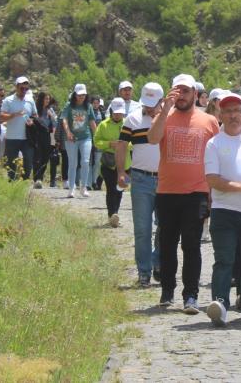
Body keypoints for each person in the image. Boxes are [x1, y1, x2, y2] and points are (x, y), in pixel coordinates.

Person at [147, 74, 220, 314]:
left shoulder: (209, 121)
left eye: (186, 91)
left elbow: (217, 156)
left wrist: (213, 193)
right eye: (177, 90)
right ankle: (167, 291)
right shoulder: (163, 117)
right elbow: (152, 139)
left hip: (196, 193)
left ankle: (191, 296)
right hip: (167, 191)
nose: (181, 95)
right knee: (167, 245)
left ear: (195, 94)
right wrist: (165, 109)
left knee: (191, 246)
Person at [204, 93, 241, 325]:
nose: (232, 116)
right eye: (227, 111)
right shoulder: (214, 143)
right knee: (224, 259)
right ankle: (220, 303)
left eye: (236, 111)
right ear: (220, 115)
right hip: (224, 209)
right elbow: (212, 179)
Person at [116, 82, 165, 287]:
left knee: (165, 227)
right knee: (142, 228)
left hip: (165, 180)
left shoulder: (168, 120)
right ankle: (144, 271)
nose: (149, 107)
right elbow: (121, 145)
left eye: (153, 104)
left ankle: (159, 262)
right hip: (140, 178)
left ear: (162, 102)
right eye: (146, 103)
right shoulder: (133, 118)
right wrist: (120, 171)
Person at [95, 98, 132, 227]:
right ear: (111, 111)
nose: (118, 115)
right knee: (111, 189)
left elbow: (134, 143)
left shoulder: (129, 123)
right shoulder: (103, 125)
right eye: (116, 112)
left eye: (120, 113)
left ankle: (115, 213)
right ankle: (112, 214)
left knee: (121, 189)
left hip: (126, 164)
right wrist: (109, 144)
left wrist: (124, 145)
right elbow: (97, 142)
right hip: (108, 164)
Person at [60, 83, 97, 198]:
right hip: (71, 138)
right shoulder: (69, 106)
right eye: (79, 95)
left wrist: (97, 136)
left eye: (84, 95)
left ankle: (84, 187)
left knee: (85, 161)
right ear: (75, 94)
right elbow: (64, 120)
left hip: (86, 137)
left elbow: (91, 122)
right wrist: (68, 132)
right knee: (73, 163)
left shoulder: (88, 106)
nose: (81, 97)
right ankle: (71, 188)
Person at [0, 76, 36, 181]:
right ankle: (12, 183)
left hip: (27, 138)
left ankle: (23, 181)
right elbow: (1, 116)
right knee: (11, 163)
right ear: (16, 87)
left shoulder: (30, 100)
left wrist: (32, 121)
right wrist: (14, 115)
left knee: (28, 161)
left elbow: (35, 115)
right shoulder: (8, 100)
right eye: (22, 88)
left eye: (26, 88)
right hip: (12, 137)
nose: (24, 90)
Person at [31, 91, 56, 189]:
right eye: (46, 98)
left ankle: (40, 177)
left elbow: (54, 125)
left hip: (47, 135)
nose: (47, 101)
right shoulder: (36, 110)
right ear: (41, 99)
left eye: (48, 99)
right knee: (37, 157)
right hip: (37, 135)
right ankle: (36, 178)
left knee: (45, 158)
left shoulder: (50, 110)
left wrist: (54, 141)